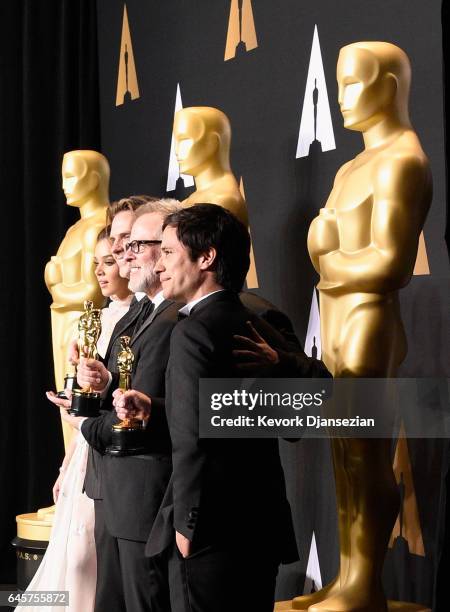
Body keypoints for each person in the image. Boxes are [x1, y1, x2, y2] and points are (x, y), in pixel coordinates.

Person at [293, 42, 432, 612]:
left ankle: (364, 585)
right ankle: (351, 577)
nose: (343, 96)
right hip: (339, 315)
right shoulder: (352, 167)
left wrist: (328, 258)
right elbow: (330, 246)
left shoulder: (403, 159)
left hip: (370, 320)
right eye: (340, 83)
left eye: (354, 83)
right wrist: (327, 254)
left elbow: (389, 263)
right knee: (343, 459)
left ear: (390, 86)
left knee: (364, 458)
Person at [118, 204, 298, 612]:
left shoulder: (193, 330)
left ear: (206, 258)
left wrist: (187, 524)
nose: (159, 265)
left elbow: (194, 441)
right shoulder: (254, 321)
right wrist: (160, 409)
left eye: (167, 252)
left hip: (210, 535)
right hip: (259, 527)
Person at [59, 199, 182, 612]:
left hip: (142, 488)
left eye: (133, 243)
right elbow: (129, 388)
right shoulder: (142, 313)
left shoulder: (172, 319)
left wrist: (83, 420)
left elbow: (148, 411)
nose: (122, 254)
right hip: (115, 485)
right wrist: (102, 381)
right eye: (119, 244)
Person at [28, 228, 132, 612]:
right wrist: (66, 463)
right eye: (97, 264)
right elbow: (86, 406)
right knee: (72, 558)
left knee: (91, 559)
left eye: (110, 262)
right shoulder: (96, 321)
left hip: (112, 454)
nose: (102, 273)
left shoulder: (140, 321)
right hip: (87, 452)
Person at [45, 150, 110, 448]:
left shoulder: (97, 227)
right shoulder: (76, 228)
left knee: (79, 399)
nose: (63, 184)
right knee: (66, 400)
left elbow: (92, 292)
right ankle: (69, 480)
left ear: (94, 178)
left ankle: (81, 482)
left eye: (71, 175)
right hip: (64, 320)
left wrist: (55, 284)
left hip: (83, 323)